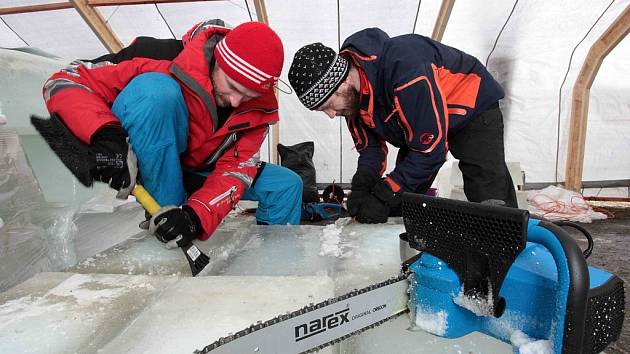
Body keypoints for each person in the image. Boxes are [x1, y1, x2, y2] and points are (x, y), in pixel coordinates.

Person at [42, 20, 303, 247]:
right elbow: (64, 80)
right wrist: (106, 136)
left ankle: (272, 269)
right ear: (218, 61)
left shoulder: (259, 109)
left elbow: (235, 169)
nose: (236, 101)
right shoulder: (158, 55)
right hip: (152, 153)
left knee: (287, 185)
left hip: (200, 169)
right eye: (233, 86)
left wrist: (195, 217)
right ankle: (167, 214)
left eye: (249, 95)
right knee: (156, 92)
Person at [288, 28, 517, 224]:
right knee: (402, 199)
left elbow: (430, 152)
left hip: (470, 107)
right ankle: (412, 248)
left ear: (343, 81)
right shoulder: (352, 100)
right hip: (419, 124)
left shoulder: (405, 70)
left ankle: (506, 254)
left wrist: (384, 194)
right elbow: (370, 149)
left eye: (328, 105)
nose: (331, 115)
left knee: (489, 196)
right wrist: (362, 185)